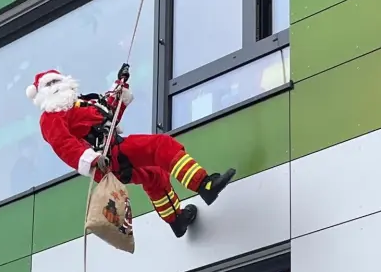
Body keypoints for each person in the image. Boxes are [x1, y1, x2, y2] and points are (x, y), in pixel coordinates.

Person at [28, 69, 234, 239]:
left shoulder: (82, 104)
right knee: (160, 146)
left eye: (57, 81)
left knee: (154, 175)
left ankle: (176, 220)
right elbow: (63, 144)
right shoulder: (51, 116)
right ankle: (204, 184)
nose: (55, 86)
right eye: (49, 84)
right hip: (108, 156)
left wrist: (120, 86)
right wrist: (90, 159)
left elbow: (110, 113)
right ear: (41, 94)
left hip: (112, 155)